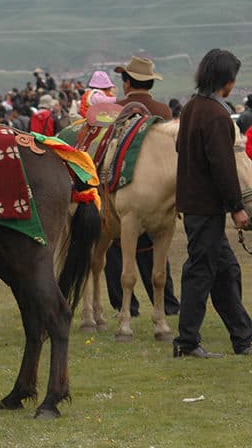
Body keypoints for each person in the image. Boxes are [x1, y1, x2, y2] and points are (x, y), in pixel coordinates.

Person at [172, 49, 252, 358]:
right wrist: (237, 206)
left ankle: (243, 337)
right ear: (226, 81)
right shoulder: (218, 115)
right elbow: (223, 166)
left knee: (226, 270)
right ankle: (187, 342)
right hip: (207, 208)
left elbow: (182, 147)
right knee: (200, 272)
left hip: (194, 204)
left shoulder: (192, 107)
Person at [104, 55, 180, 316]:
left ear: (126, 83)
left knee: (115, 250)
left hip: (120, 193)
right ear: (150, 84)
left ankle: (125, 307)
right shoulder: (164, 111)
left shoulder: (114, 110)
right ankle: (167, 305)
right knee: (157, 255)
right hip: (160, 194)